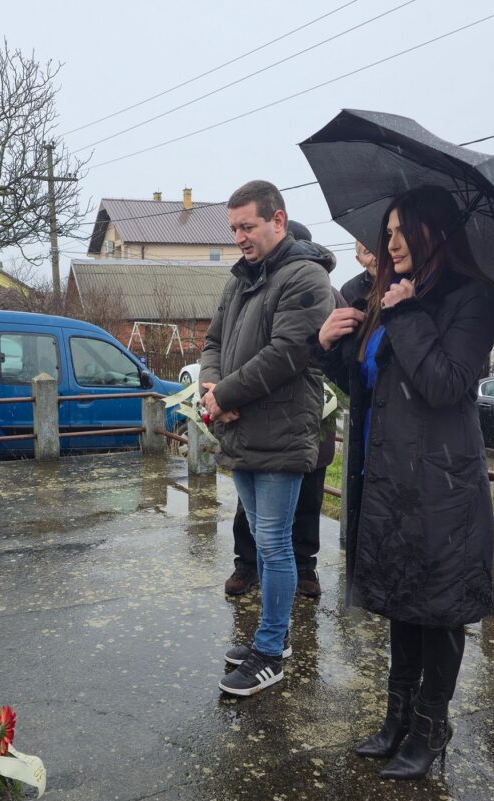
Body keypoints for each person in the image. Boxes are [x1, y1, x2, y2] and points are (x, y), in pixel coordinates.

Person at [314, 185, 494, 778]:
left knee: (438, 609)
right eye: (387, 230)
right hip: (386, 478)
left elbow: (446, 384)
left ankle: (428, 728)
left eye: (400, 230)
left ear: (433, 232)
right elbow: (369, 386)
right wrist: (331, 347)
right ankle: (395, 719)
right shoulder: (389, 296)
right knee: (401, 601)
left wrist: (407, 313)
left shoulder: (472, 299)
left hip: (442, 486)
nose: (388, 241)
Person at [200, 180, 334, 697]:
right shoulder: (239, 280)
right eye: (234, 228)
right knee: (259, 540)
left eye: (248, 226)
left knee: (276, 546)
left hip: (279, 431)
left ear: (278, 220)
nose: (240, 237)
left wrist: (226, 392)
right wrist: (214, 388)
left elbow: (286, 354)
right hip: (241, 428)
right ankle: (268, 636)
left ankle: (271, 652)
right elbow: (213, 341)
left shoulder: (305, 276)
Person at [225, 220, 343, 600]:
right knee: (254, 510)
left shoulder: (325, 292)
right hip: (259, 416)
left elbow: (307, 355)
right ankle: (246, 564)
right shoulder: (253, 287)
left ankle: (303, 568)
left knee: (307, 500)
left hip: (311, 417)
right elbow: (230, 343)